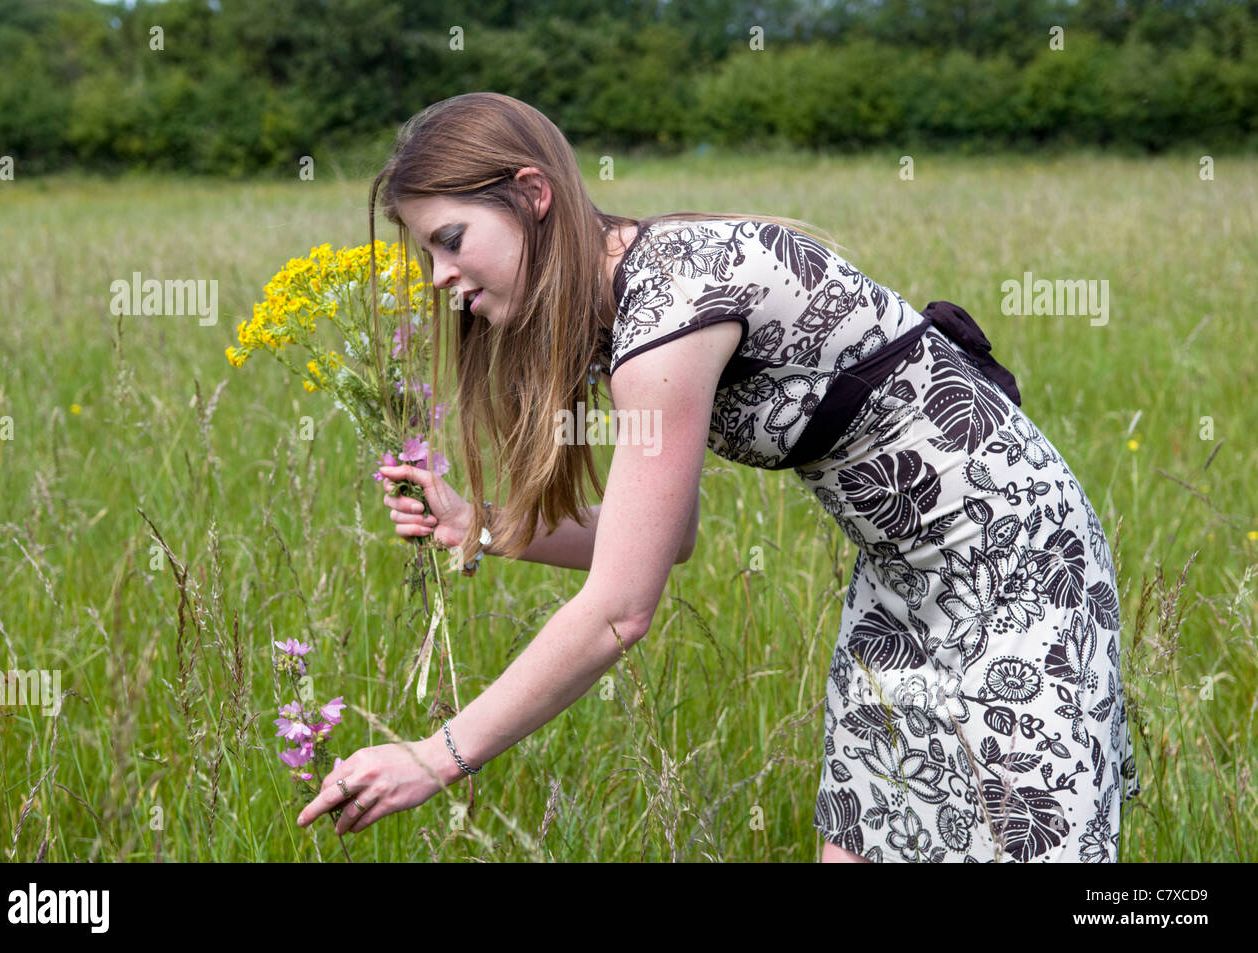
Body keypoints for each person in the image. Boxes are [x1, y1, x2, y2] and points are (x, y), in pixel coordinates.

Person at [297, 92, 1140, 862]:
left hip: (1021, 566)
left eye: (450, 239)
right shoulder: (618, 313)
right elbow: (671, 541)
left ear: (531, 193)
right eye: (425, 251)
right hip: (899, 588)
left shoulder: (667, 310)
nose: (439, 276)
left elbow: (620, 610)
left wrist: (433, 757)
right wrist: (479, 525)